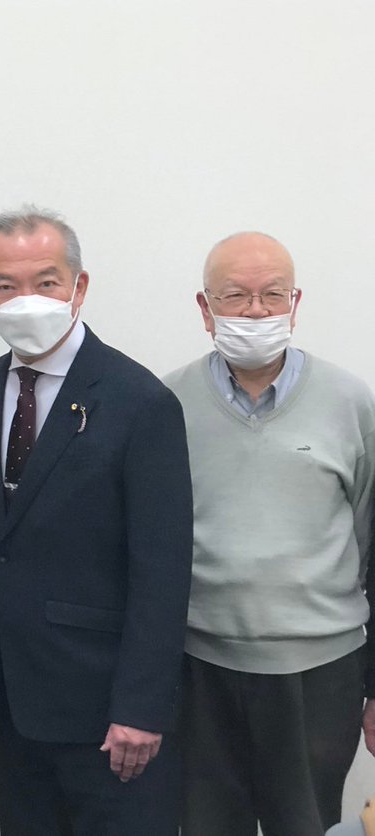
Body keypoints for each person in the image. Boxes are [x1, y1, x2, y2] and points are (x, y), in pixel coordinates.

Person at [0, 206, 193, 835]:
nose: (26, 300)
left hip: (106, 710)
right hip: (10, 692)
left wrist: (141, 707)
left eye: (46, 282)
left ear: (79, 287)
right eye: (6, 285)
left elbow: (163, 571)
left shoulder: (141, 401)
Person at [164, 231, 375, 835]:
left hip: (321, 673)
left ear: (295, 302)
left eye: (272, 295)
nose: (256, 311)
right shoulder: (166, 403)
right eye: (235, 296)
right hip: (200, 667)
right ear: (205, 307)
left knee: (306, 826)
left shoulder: (350, 402)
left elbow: (370, 546)